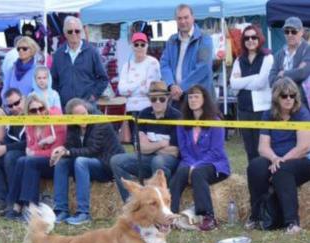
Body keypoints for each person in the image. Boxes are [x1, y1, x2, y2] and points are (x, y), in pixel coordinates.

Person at [246, 77, 310, 234]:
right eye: (284, 95)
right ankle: (257, 216)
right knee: (255, 167)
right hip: (275, 157)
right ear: (276, 97)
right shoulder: (268, 115)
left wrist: (281, 161)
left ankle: (292, 222)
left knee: (283, 170)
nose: (289, 99)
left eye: (292, 95)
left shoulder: (302, 113)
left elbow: (303, 147)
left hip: (301, 159)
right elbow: (262, 147)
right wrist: (275, 158)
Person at [50, 98, 125, 225]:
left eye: (84, 114)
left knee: (80, 161)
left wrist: (68, 152)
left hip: (108, 165)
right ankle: (61, 210)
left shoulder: (100, 122)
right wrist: (61, 149)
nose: (82, 118)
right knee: (61, 161)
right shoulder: (73, 126)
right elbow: (69, 144)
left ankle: (83, 213)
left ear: (88, 111)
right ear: (71, 117)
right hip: (90, 163)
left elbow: (93, 150)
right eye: (78, 116)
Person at [170, 85, 230, 231]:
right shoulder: (183, 123)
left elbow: (216, 151)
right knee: (180, 173)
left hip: (214, 164)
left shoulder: (215, 121)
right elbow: (184, 151)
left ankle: (208, 216)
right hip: (189, 162)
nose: (193, 100)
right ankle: (170, 214)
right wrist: (190, 165)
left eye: (196, 96)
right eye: (190, 97)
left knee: (198, 173)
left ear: (204, 99)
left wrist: (195, 166)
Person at [110, 81, 181, 202]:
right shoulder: (144, 114)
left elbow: (175, 151)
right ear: (149, 99)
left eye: (161, 99)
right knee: (116, 161)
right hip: (147, 159)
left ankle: (159, 205)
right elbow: (139, 148)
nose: (157, 102)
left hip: (169, 162)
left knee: (158, 161)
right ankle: (133, 203)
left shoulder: (177, 116)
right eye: (153, 99)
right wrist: (161, 144)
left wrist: (150, 146)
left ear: (168, 98)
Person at [4, 94, 66, 220]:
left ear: (45, 107)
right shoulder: (30, 124)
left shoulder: (55, 118)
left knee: (30, 161)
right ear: (28, 112)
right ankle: (16, 206)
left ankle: (31, 208)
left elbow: (56, 151)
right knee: (22, 160)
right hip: (40, 160)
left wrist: (36, 150)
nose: (38, 113)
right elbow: (29, 149)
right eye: (33, 110)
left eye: (41, 108)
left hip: (56, 162)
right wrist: (42, 143)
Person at [230, 25, 273, 162]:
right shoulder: (239, 59)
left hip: (262, 110)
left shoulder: (268, 57)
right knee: (249, 149)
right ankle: (253, 179)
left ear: (259, 38)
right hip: (243, 110)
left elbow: (261, 83)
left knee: (263, 148)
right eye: (247, 37)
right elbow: (233, 85)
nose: (250, 40)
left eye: (254, 37)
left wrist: (242, 81)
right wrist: (254, 77)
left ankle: (267, 180)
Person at [160, 4, 213, 107]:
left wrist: (181, 87)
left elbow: (203, 67)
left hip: (198, 98)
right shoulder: (171, 40)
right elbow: (164, 64)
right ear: (176, 20)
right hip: (176, 97)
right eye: (179, 18)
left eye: (186, 17)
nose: (183, 21)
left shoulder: (204, 39)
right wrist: (171, 85)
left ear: (193, 17)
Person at [51, 16, 108, 109]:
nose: (74, 34)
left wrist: (93, 96)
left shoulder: (92, 52)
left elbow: (103, 79)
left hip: (87, 106)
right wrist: (59, 96)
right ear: (65, 33)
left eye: (77, 31)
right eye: (70, 31)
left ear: (81, 32)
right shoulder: (58, 54)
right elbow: (53, 80)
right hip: (66, 107)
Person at [118, 32, 160, 142]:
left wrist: (130, 88)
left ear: (147, 45)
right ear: (132, 46)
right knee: (134, 143)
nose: (139, 47)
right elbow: (121, 90)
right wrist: (139, 83)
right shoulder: (126, 65)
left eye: (142, 44)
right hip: (131, 110)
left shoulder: (153, 62)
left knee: (149, 142)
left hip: (148, 109)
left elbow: (148, 89)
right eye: (136, 45)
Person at [0, 88, 26, 214]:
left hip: (30, 152)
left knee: (10, 156)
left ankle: (15, 202)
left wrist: (6, 148)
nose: (14, 107)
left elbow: (30, 142)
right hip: (14, 151)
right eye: (10, 105)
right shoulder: (11, 119)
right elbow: (8, 140)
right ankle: (1, 199)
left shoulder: (34, 113)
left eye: (17, 103)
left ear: (23, 99)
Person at [269, 17, 310, 108]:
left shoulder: (307, 50)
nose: (290, 34)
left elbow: (302, 73)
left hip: (302, 105)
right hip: (282, 106)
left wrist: (282, 74)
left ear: (301, 32)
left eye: (294, 31)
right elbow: (271, 81)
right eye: (287, 31)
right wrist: (295, 73)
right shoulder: (279, 54)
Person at [1, 36, 39, 102]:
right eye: (18, 49)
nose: (21, 50)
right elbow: (5, 90)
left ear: (32, 50)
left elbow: (41, 92)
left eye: (24, 48)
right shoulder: (11, 69)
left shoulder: (38, 70)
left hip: (31, 108)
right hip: (12, 108)